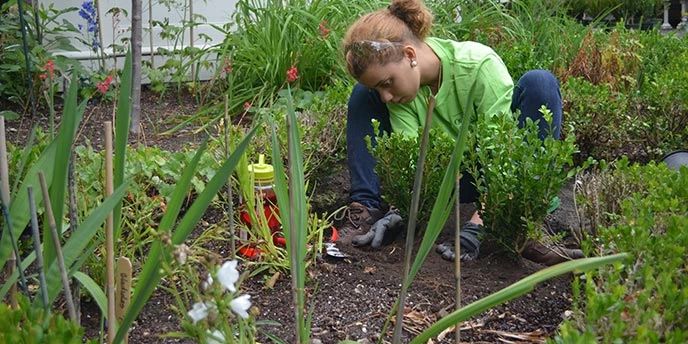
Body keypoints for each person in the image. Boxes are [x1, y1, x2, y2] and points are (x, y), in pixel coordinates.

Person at [335, 0, 584, 266]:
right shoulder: (401, 94)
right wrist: (401, 210)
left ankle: (524, 221)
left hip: (490, 176)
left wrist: (479, 223)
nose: (385, 97)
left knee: (540, 83)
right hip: (444, 180)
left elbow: (499, 155)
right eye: (381, 89)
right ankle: (366, 209)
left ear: (409, 55)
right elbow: (414, 164)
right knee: (364, 95)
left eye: (387, 83)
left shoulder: (478, 65)